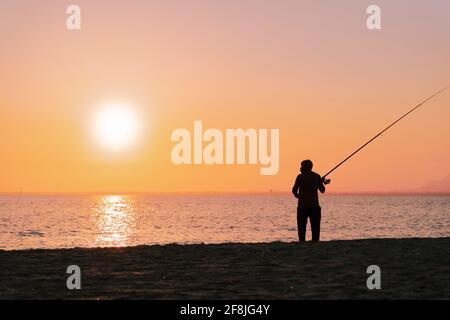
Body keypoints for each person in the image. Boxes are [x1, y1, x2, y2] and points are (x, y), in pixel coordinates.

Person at [291, 160, 330, 242]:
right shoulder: (316, 176)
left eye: (301, 166)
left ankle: (302, 242)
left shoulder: (300, 177)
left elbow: (294, 190)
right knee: (315, 229)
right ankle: (315, 243)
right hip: (315, 207)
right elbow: (322, 190)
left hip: (302, 207)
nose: (300, 168)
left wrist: (299, 196)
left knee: (301, 229)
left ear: (305, 167)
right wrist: (321, 181)